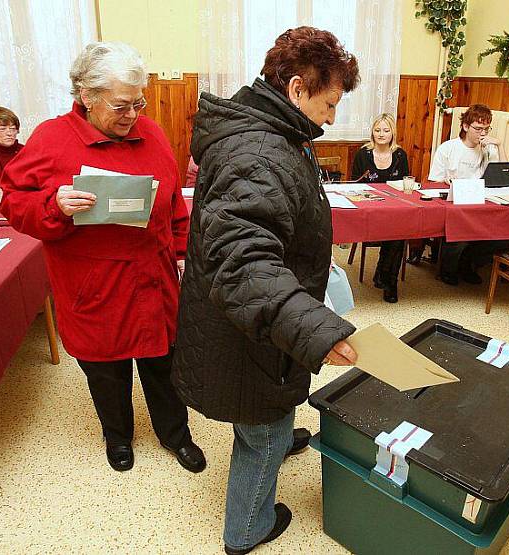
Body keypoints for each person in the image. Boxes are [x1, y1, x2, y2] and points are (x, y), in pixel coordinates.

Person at [172, 27, 360, 555]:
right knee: (263, 427)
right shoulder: (259, 152)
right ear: (297, 89)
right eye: (329, 103)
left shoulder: (268, 130)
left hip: (254, 321)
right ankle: (247, 529)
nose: (332, 118)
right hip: (248, 327)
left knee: (268, 406)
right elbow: (246, 264)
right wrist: (317, 330)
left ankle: (276, 431)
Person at [0, 42, 205, 475]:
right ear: (86, 97)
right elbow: (13, 204)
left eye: (138, 103)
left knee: (164, 365)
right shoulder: (51, 138)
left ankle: (176, 434)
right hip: (93, 285)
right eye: (121, 105)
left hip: (153, 278)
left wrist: (184, 253)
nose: (132, 115)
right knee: (106, 374)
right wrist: (54, 205)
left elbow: (173, 202)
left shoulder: (150, 133)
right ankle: (118, 437)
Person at [427, 104, 506, 285]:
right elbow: (433, 182)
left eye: (486, 129)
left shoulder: (488, 150)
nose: (482, 133)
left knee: (498, 234)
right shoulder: (448, 148)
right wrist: (446, 182)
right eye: (478, 129)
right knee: (457, 233)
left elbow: (503, 175)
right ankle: (448, 270)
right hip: (455, 203)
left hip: (481, 203)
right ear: (465, 127)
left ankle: (468, 265)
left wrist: (499, 145)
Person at [350, 113, 409, 303]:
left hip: (393, 212)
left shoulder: (400, 155)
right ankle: (383, 276)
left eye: (386, 130)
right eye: (377, 130)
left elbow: (404, 184)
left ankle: (388, 281)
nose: (381, 134)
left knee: (399, 232)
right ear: (372, 133)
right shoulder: (363, 154)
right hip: (368, 212)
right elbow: (354, 185)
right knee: (394, 232)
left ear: (393, 133)